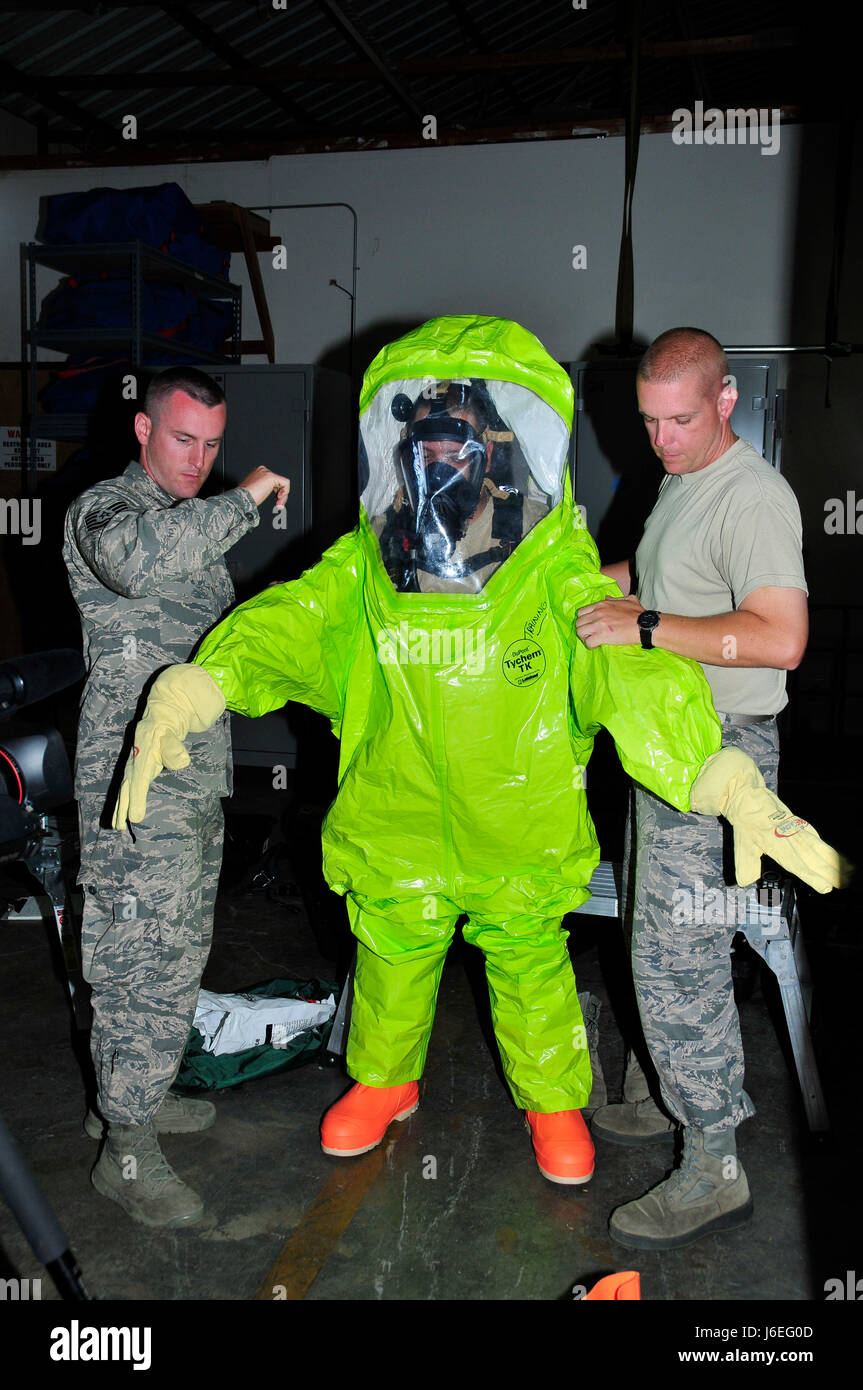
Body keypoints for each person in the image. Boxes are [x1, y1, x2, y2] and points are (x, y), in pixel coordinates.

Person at [111, 317, 841, 1199]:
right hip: (398, 816)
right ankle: (383, 1080)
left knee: (530, 954)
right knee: (392, 945)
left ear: (496, 452)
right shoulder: (370, 565)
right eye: (424, 449)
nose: (437, 470)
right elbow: (294, 618)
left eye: (458, 450)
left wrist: (716, 773)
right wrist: (203, 683)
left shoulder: (556, 560)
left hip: (516, 825)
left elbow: (628, 671)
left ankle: (552, 1102)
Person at [576, 326, 811, 1250]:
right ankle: (676, 1098)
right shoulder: (683, 480)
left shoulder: (753, 497)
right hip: (666, 746)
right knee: (652, 938)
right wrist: (583, 586)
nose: (662, 440)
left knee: (680, 962)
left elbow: (777, 637)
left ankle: (713, 1162)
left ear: (723, 402)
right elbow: (658, 576)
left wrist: (644, 628)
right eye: (648, 422)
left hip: (722, 754)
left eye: (680, 420)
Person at [62, 366, 290, 1228]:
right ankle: (126, 1148)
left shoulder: (188, 522)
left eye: (213, 444)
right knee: (134, 951)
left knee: (177, 947)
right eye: (183, 439)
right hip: (133, 776)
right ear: (142, 432)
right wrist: (246, 497)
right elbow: (135, 565)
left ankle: (132, 1096)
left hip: (192, 774)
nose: (199, 459)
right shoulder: (106, 512)